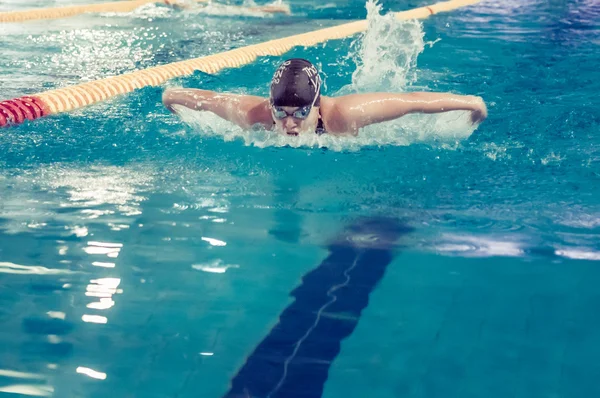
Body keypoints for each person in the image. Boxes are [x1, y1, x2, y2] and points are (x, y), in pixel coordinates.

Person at [162, 58, 487, 136]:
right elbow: (209, 98)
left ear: (316, 106)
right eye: (282, 112)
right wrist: (171, 98)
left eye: (301, 113)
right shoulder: (255, 115)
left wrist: (471, 103)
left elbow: (412, 101)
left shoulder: (344, 115)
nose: (289, 123)